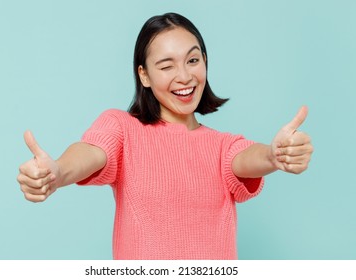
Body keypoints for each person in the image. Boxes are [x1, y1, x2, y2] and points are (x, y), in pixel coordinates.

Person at [17, 12, 313, 259]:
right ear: (144, 75)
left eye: (193, 60)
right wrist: (57, 171)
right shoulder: (123, 129)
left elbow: (248, 158)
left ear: (205, 62)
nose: (184, 76)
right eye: (166, 65)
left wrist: (274, 155)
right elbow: (93, 152)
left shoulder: (222, 146)